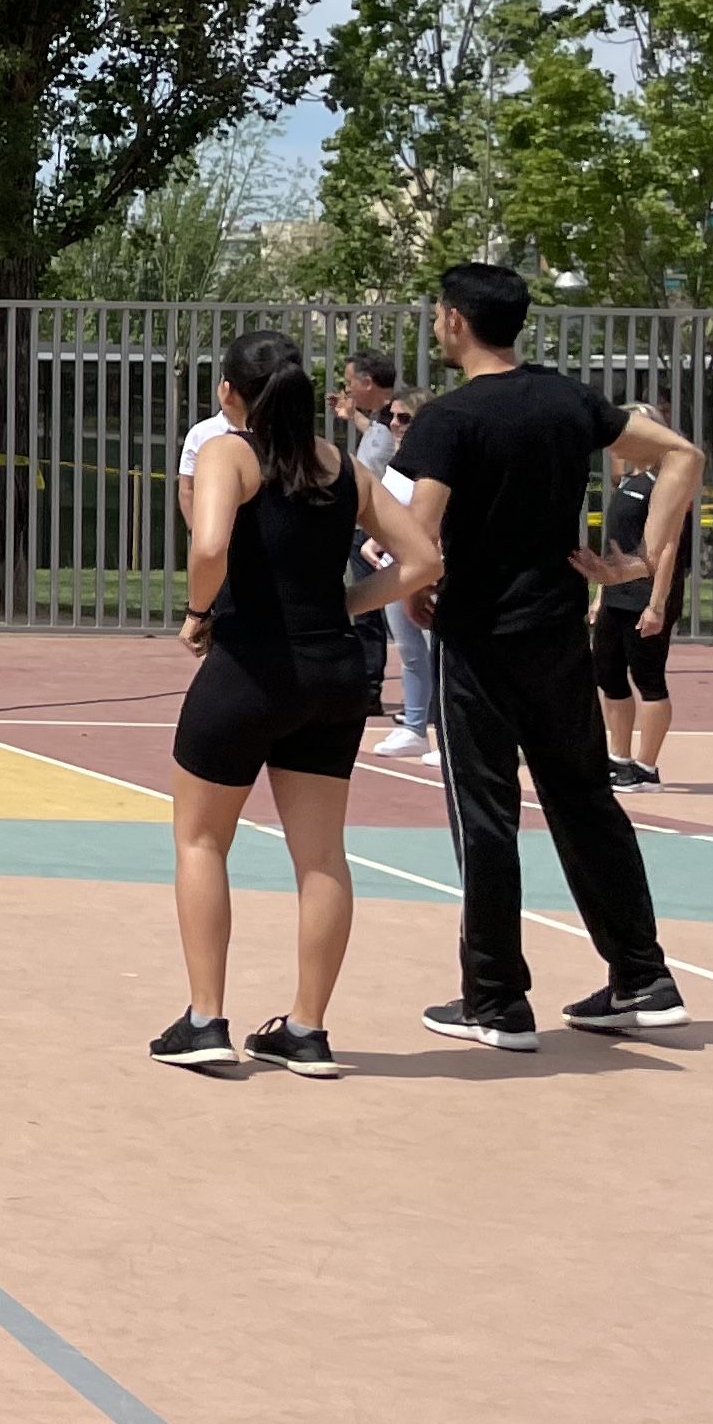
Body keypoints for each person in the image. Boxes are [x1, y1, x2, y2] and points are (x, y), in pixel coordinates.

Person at [396, 263, 703, 1051]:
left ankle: (496, 998)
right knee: (584, 800)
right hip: (557, 634)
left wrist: (406, 589)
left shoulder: (448, 419)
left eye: (437, 313)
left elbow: (420, 536)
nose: (435, 325)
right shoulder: (571, 400)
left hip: (479, 639)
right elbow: (683, 457)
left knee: (487, 813)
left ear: (457, 320)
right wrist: (638, 562)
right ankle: (643, 975)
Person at [154, 334, 439, 1075]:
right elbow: (423, 561)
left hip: (252, 668)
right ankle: (307, 1029)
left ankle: (205, 1019)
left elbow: (210, 543)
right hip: (334, 674)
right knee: (320, 857)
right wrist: (345, 603)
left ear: (229, 393)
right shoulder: (340, 464)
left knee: (200, 840)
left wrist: (196, 611)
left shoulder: (229, 453)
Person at [593, 430, 692, 792]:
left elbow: (667, 547)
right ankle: (619, 759)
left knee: (648, 678)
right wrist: (600, 595)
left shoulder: (667, 483)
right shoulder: (629, 480)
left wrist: (657, 604)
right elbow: (616, 542)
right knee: (608, 674)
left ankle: (646, 767)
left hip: (646, 595)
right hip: (617, 593)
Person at [371, 390, 440, 759]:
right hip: (395, 566)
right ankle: (415, 726)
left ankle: (447, 730)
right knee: (411, 653)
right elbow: (391, 513)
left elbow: (433, 517)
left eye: (404, 418)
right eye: (391, 417)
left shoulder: (439, 460)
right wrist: (375, 541)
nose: (394, 425)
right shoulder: (398, 463)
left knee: (440, 652)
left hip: (429, 568)